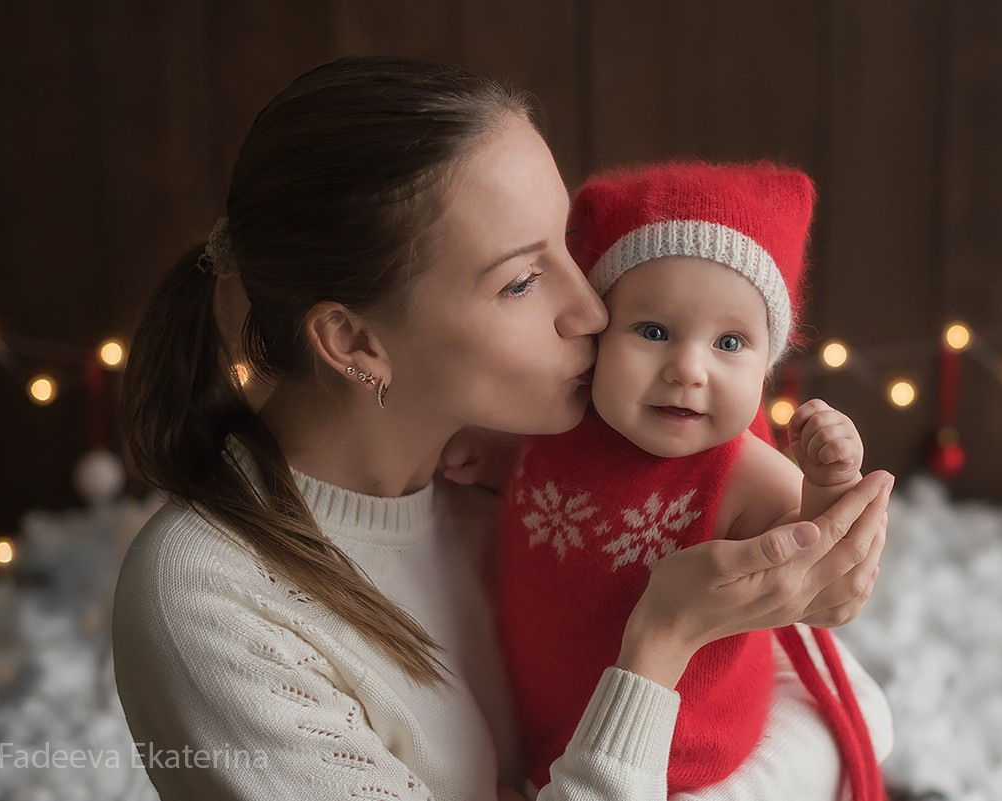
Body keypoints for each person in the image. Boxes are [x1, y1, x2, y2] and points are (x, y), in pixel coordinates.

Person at [112, 56, 894, 801]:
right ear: (355, 343)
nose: (592, 310)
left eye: (569, 248)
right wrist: (660, 642)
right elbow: (806, 726)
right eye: (521, 280)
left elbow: (849, 706)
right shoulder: (209, 598)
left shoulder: (538, 455)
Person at [488, 161, 887, 799]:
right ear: (598, 336)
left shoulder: (738, 473)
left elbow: (813, 557)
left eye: (730, 343)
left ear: (768, 363)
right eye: (653, 332)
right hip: (553, 726)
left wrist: (828, 479)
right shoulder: (558, 425)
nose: (688, 370)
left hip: (681, 755)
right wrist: (487, 456)